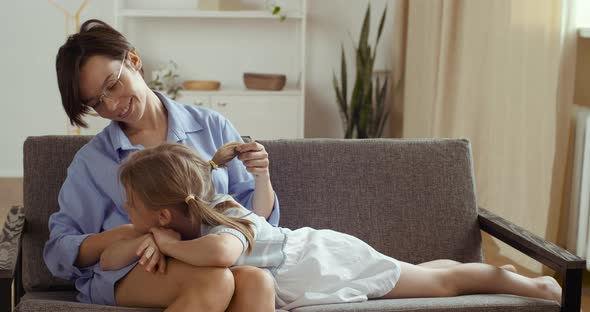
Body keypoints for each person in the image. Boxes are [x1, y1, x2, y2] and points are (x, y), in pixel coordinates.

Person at [115, 142, 563, 311]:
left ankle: (530, 286)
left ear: (163, 215)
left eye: (130, 203)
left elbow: (222, 257)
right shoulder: (205, 218)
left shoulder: (225, 222)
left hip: (331, 262)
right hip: (320, 263)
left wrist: (165, 245)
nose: (124, 209)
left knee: (440, 283)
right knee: (427, 272)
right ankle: (498, 276)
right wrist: (168, 240)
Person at [43, 19, 278, 311]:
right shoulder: (94, 160)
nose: (113, 105)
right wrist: (136, 233)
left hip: (209, 258)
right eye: (98, 103)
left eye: (113, 85)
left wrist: (262, 176)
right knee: (214, 281)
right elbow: (60, 250)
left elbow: (254, 221)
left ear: (133, 60)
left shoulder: (212, 127)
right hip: (128, 270)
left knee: (258, 282)